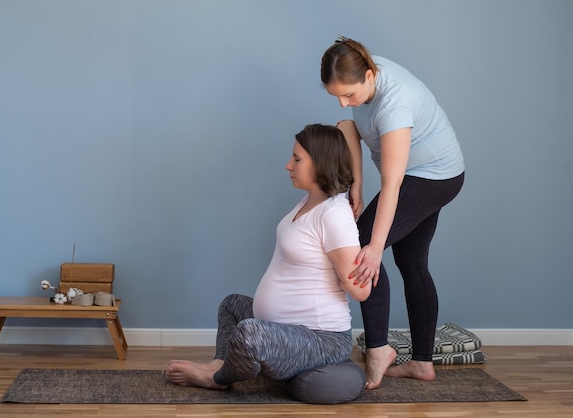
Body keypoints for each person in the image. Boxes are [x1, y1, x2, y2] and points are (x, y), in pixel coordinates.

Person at [166, 124, 370, 391]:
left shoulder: (334, 214)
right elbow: (346, 131)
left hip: (321, 339)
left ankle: (216, 379)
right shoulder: (310, 202)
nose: (288, 165)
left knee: (249, 333)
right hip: (285, 327)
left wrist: (368, 256)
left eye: (297, 159)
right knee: (231, 305)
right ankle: (221, 362)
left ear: (320, 163)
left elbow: (360, 291)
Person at [320, 36, 465, 389]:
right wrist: (355, 184)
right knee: (412, 263)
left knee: (363, 251)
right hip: (419, 175)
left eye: (349, 96)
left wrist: (371, 246)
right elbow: (349, 128)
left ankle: (378, 350)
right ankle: (421, 364)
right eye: (336, 95)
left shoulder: (395, 102)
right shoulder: (358, 66)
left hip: (433, 177)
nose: (343, 102)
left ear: (370, 76)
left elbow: (394, 184)